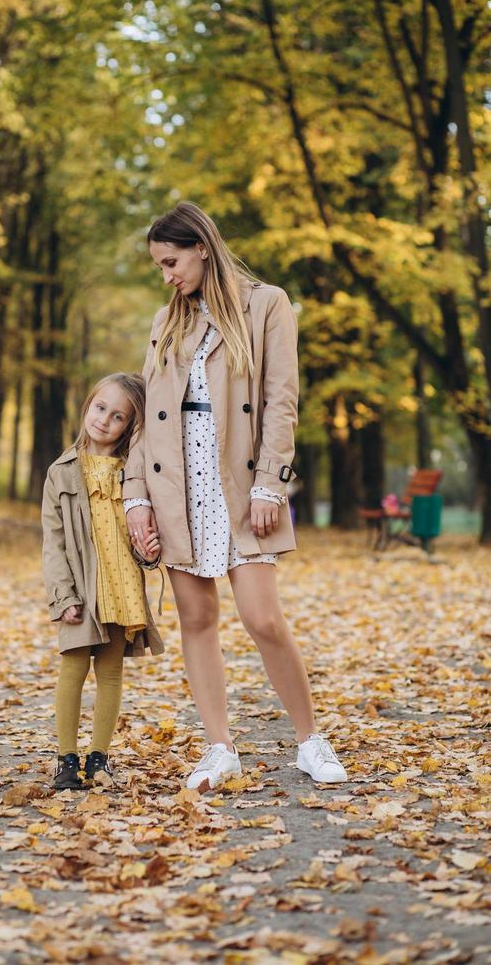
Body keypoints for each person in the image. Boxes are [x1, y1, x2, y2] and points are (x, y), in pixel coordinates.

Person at [124, 202, 346, 790]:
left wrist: (272, 481)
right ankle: (219, 748)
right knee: (196, 617)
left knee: (262, 617)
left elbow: (281, 401)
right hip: (176, 483)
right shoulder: (165, 320)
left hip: (241, 481)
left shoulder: (266, 304)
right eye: (158, 266)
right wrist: (135, 497)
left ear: (201, 246)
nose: (166, 275)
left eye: (171, 261)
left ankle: (309, 740)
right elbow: (147, 416)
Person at [42, 372, 164, 790]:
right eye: (100, 408)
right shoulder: (61, 472)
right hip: (80, 588)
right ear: (87, 405)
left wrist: (149, 554)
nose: (104, 420)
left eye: (118, 417)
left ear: (130, 426)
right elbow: (53, 544)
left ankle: (99, 758)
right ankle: (66, 759)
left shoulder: (134, 474)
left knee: (110, 673)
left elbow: (142, 537)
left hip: (120, 585)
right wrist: (63, 596)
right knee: (73, 669)